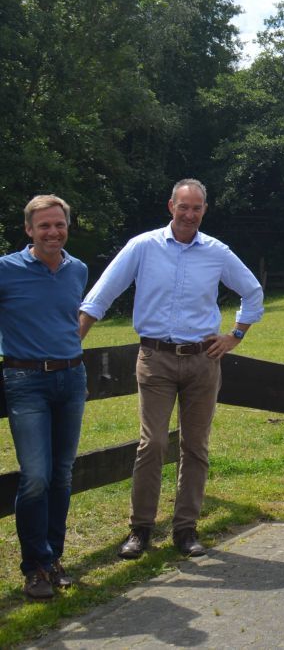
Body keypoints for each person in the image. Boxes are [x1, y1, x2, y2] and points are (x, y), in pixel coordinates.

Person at [79, 179, 263, 559]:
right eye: (184, 206)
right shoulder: (143, 246)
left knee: (195, 446)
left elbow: (252, 291)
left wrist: (235, 335)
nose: (190, 214)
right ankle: (141, 529)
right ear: (170, 206)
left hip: (203, 360)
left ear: (204, 211)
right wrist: (74, 337)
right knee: (154, 443)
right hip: (155, 358)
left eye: (197, 208)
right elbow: (104, 291)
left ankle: (185, 529)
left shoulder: (217, 252)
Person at [0, 195, 88, 599]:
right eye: (44, 226)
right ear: (29, 230)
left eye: (59, 224)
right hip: (26, 379)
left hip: (72, 378)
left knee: (62, 473)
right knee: (35, 476)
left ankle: (54, 559)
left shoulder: (78, 270)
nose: (53, 232)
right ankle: (34, 566)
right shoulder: (6, 270)